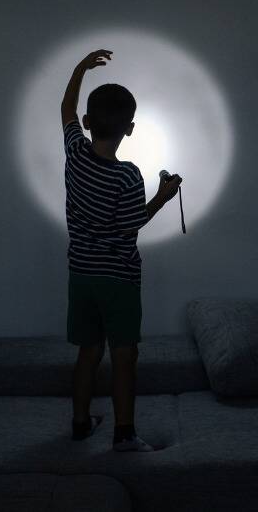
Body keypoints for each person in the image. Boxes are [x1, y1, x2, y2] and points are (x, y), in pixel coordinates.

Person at [60, 48, 182, 452]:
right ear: (129, 129)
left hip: (81, 276)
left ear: (90, 122)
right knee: (124, 356)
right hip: (119, 279)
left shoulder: (74, 153)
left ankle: (80, 424)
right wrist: (163, 197)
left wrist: (80, 68)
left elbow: (66, 109)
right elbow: (132, 223)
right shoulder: (128, 176)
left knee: (88, 351)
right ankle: (124, 434)